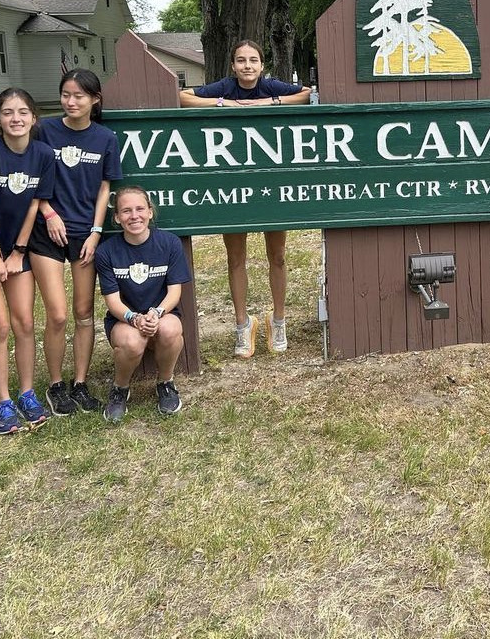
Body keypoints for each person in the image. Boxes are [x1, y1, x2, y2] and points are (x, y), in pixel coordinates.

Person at [179, 39, 310, 357]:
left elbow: (306, 94)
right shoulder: (224, 87)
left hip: (271, 183)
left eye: (253, 60)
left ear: (262, 65)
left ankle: (277, 320)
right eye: (241, 60)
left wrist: (271, 102)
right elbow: (183, 97)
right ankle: (243, 324)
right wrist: (225, 104)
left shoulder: (269, 85)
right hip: (233, 186)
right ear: (233, 66)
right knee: (235, 259)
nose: (247, 66)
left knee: (277, 257)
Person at [31, 69, 122, 415]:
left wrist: (97, 232)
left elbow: (104, 188)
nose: (71, 102)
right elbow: (32, 177)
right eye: (66, 94)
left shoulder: (105, 138)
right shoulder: (45, 131)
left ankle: (80, 383)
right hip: (47, 231)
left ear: (94, 100)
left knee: (84, 313)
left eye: (79, 96)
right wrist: (49, 213)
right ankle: (56, 385)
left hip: (86, 233)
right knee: (57, 314)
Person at [0, 88, 56, 434]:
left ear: (33, 118)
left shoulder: (43, 154)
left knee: (24, 323)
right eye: (8, 112)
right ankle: (3, 402)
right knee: (0, 326)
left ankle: (26, 393)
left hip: (18, 252)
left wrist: (18, 251)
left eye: (23, 112)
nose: (16, 119)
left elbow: (37, 203)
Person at [94, 186, 192, 422]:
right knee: (133, 341)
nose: (134, 216)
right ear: (117, 218)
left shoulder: (169, 243)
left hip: (161, 312)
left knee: (171, 330)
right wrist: (134, 319)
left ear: (150, 212)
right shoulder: (107, 251)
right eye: (126, 211)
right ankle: (120, 389)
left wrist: (156, 314)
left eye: (140, 209)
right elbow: (113, 301)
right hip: (124, 319)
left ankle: (165, 383)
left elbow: (174, 291)